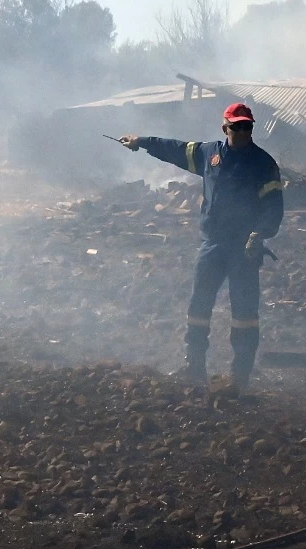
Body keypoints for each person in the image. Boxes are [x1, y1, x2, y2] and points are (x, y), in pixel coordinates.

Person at [119, 103, 285, 391]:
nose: (243, 131)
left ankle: (239, 377)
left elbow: (274, 207)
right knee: (199, 305)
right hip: (213, 244)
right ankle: (193, 368)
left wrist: (260, 233)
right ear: (225, 128)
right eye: (237, 126)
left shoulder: (264, 164)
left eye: (248, 126)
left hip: (245, 248)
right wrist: (141, 142)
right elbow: (174, 148)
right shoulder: (209, 154)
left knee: (244, 314)